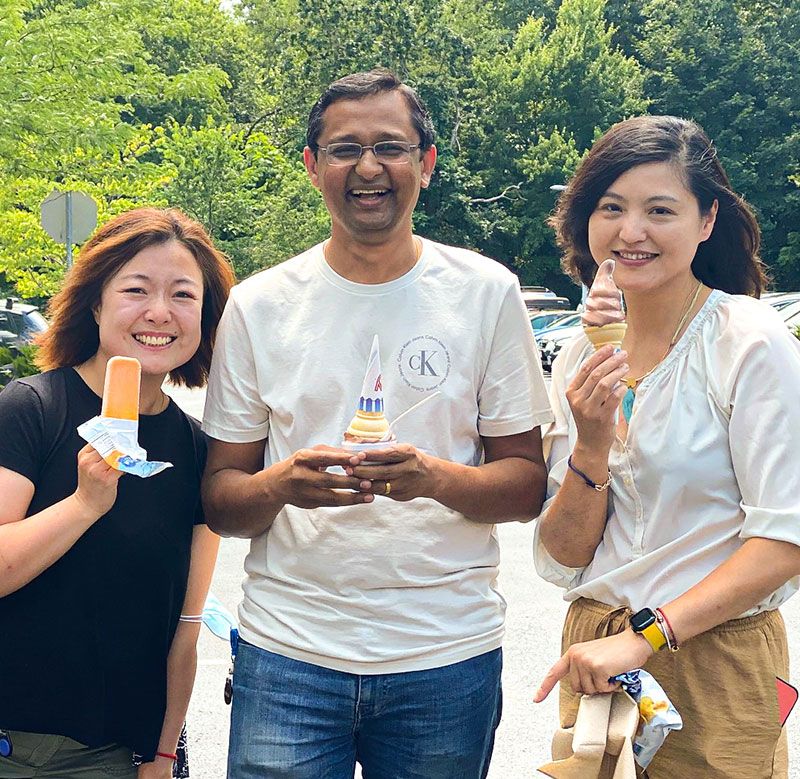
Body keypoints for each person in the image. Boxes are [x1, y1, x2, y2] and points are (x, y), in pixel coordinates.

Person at [201, 68, 553, 779]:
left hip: (445, 654)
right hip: (289, 651)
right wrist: (280, 485)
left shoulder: (486, 292)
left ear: (427, 162)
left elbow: (525, 487)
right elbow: (220, 500)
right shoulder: (259, 304)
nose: (368, 167)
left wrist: (433, 478)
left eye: (390, 146)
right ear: (312, 166)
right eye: (344, 149)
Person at [532, 115, 800, 778]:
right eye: (611, 208)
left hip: (713, 656)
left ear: (707, 220)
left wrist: (645, 637)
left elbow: (785, 537)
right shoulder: (579, 357)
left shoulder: (748, 341)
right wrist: (591, 446)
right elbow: (565, 555)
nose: (631, 232)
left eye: (659, 210)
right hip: (597, 653)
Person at [0, 208, 236, 779]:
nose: (159, 312)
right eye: (136, 289)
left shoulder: (198, 449)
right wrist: (84, 505)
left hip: (111, 756)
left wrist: (163, 754)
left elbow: (186, 626)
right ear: (95, 304)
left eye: (183, 295)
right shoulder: (32, 410)